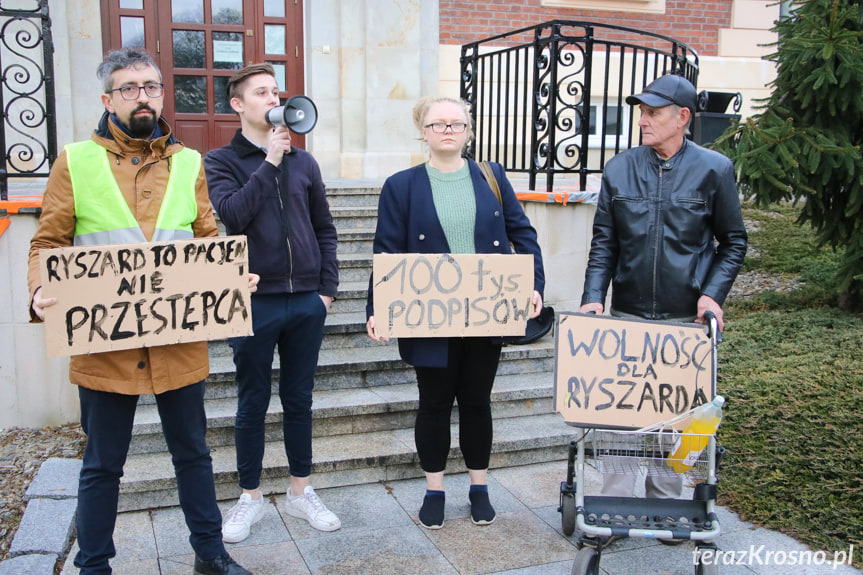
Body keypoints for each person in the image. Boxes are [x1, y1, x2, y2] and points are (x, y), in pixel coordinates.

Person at [27, 48, 254, 575]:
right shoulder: (75, 160)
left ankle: (211, 554)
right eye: (129, 88)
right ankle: (94, 564)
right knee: (102, 463)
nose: (143, 96)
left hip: (176, 340)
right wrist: (40, 289)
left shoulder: (190, 162)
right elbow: (47, 243)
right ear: (108, 99)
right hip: (105, 343)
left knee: (193, 455)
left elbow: (203, 238)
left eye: (151, 86)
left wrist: (227, 277)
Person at [365, 96, 545, 530]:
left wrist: (534, 285)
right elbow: (386, 249)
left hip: (487, 311)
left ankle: (479, 487)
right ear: (423, 131)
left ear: (468, 130)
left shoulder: (491, 176)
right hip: (430, 314)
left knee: (478, 403)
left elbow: (523, 233)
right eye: (438, 123)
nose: (448, 130)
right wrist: (378, 307)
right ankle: (435, 488)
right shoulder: (401, 185)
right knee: (434, 404)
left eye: (457, 123)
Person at [578, 74, 747, 524]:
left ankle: (666, 509)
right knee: (622, 419)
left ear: (683, 118)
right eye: (642, 112)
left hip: (683, 323)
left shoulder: (714, 169)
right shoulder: (619, 168)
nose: (643, 120)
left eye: (653, 113)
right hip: (627, 317)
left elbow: (733, 243)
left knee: (676, 424)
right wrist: (594, 297)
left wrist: (712, 296)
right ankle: (615, 508)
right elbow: (604, 245)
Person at [204, 63, 340, 544]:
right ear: (238, 104)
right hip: (253, 301)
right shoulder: (220, 161)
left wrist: (327, 291)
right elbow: (234, 214)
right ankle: (250, 497)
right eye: (261, 92)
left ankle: (301, 491)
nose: (273, 98)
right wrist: (270, 162)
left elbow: (324, 227)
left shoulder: (306, 162)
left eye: (275, 91)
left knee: (299, 399)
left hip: (305, 299)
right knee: (251, 401)